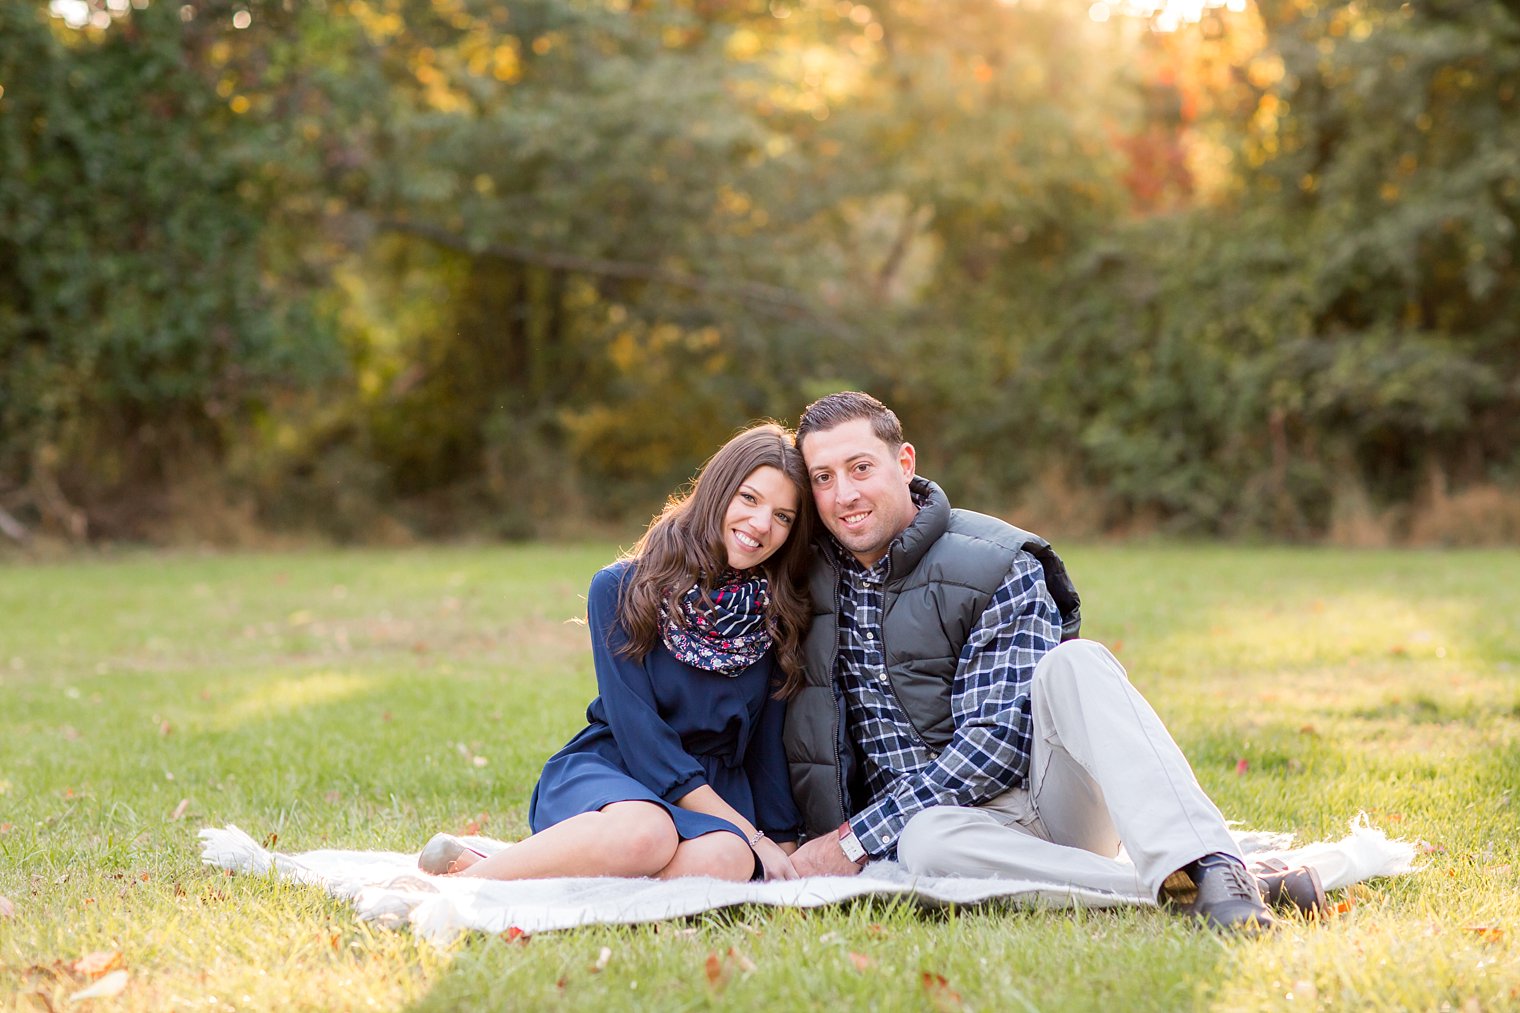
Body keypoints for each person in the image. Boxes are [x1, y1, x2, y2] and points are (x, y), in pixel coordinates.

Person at [782, 391, 1296, 932]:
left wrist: (858, 838)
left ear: (904, 462)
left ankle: (1216, 867)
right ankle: (1204, 887)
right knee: (925, 843)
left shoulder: (995, 562)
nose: (844, 494)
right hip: (945, 835)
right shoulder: (808, 581)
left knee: (1076, 663)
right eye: (823, 478)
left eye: (860, 468)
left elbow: (996, 743)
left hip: (1048, 801)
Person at [417, 423, 809, 883]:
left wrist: (780, 844)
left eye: (783, 516)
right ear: (717, 491)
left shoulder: (776, 611)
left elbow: (767, 745)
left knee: (731, 860)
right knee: (648, 835)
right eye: (749, 498)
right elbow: (641, 734)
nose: (762, 525)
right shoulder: (621, 589)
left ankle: (519, 870)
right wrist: (754, 834)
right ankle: (453, 890)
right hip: (616, 770)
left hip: (714, 795)